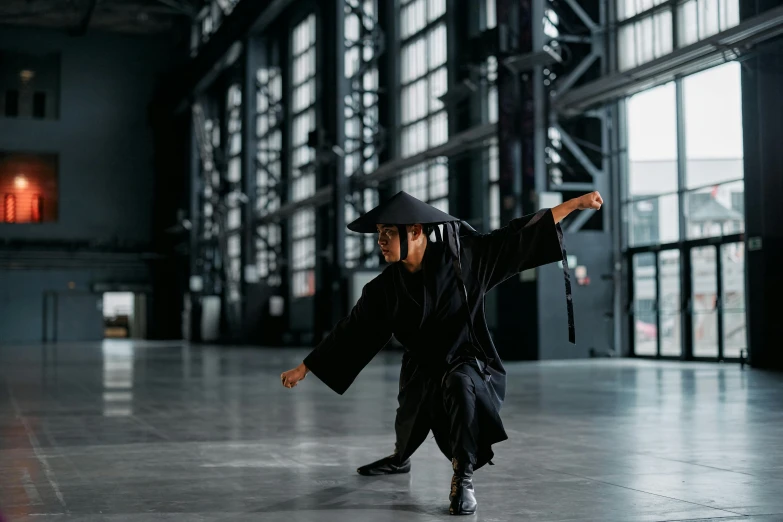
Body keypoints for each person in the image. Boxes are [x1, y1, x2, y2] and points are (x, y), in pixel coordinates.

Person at [281, 190, 603, 515]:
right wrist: (306, 366)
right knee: (408, 421)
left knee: (461, 391)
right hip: (422, 367)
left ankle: (462, 479)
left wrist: (575, 205)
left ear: (417, 232)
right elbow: (352, 329)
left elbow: (517, 236)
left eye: (389, 233)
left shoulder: (466, 260)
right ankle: (399, 459)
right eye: (380, 234)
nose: (381, 241)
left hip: (467, 359)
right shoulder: (385, 288)